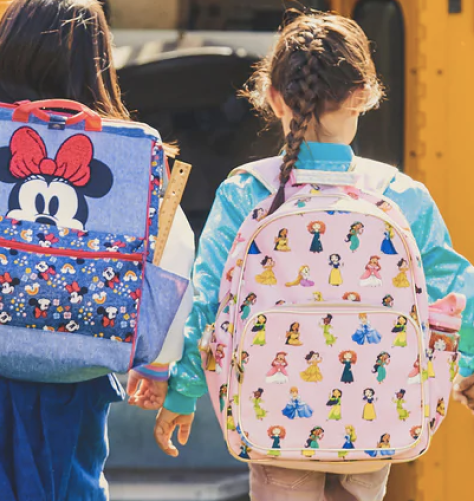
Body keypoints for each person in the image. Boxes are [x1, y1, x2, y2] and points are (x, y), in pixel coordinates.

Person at [0, 0, 195, 499]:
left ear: (2, 51)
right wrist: (157, 363)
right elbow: (172, 256)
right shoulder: (128, 148)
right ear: (99, 62)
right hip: (81, 384)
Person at [156, 8, 474, 501]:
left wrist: (183, 392)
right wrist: (469, 368)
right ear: (363, 96)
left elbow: (207, 306)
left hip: (273, 417)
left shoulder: (247, 191)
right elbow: (460, 293)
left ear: (273, 97)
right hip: (378, 417)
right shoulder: (400, 194)